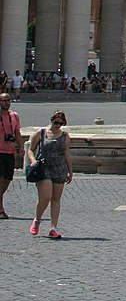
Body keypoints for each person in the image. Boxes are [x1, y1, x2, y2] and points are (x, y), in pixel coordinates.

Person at [25, 110, 72, 238]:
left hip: (60, 168)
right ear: (51, 120)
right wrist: (33, 160)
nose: (58, 126)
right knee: (45, 197)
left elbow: (67, 154)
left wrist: (70, 171)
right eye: (56, 122)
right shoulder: (41, 133)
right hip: (44, 168)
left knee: (56, 199)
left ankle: (53, 228)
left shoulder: (65, 136)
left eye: (61, 124)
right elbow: (30, 149)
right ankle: (37, 220)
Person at [0, 93, 25, 218]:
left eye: (8, 100)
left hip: (10, 151)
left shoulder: (14, 116)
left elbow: (17, 133)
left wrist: (21, 147)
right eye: (4, 100)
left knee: (7, 179)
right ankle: (1, 208)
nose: (6, 103)